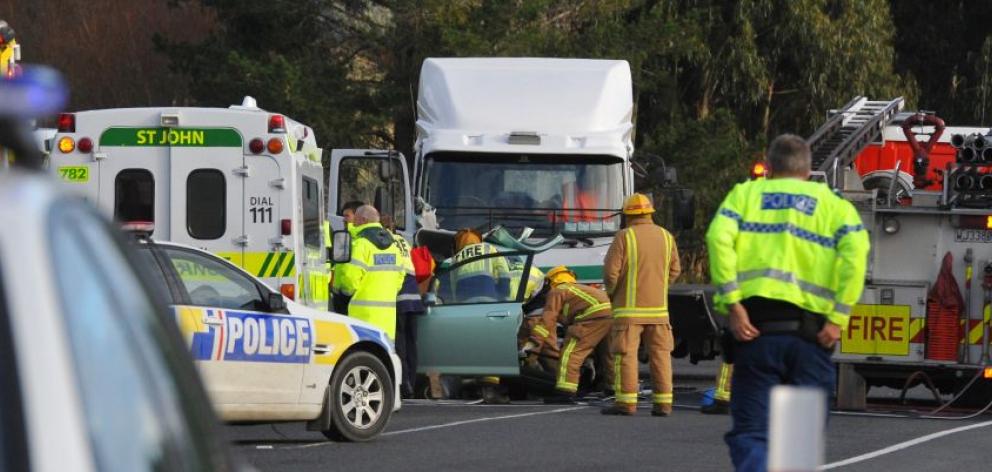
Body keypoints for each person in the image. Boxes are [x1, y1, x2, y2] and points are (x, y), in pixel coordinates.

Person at [706, 134, 869, 471]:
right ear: (808, 171)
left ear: (770, 168)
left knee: (752, 434)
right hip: (812, 338)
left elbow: (717, 238)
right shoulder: (833, 204)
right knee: (798, 447)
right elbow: (857, 256)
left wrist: (734, 305)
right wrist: (838, 318)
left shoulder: (745, 195)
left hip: (755, 333)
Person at [601, 193, 681, 417]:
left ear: (628, 216)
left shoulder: (624, 236)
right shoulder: (666, 236)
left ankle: (626, 403)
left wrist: (612, 293)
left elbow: (610, 274)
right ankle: (664, 404)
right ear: (649, 213)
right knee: (661, 356)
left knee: (625, 355)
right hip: (659, 312)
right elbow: (675, 271)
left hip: (628, 312)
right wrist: (656, 288)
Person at [523, 266, 613, 404]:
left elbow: (547, 321)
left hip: (592, 317)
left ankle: (565, 392)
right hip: (613, 315)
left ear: (550, 282)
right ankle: (613, 388)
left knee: (570, 354)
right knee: (608, 354)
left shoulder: (558, 291)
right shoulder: (583, 290)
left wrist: (533, 344)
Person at [331, 205, 406, 338]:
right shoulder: (393, 246)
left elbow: (350, 278)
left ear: (363, 220)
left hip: (361, 318)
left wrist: (344, 296)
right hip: (387, 319)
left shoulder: (361, 244)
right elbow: (400, 276)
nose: (353, 223)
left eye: (356, 220)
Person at [382, 215, 425, 398]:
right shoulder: (404, 242)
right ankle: (412, 384)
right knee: (412, 343)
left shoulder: (386, 242)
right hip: (414, 297)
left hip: (400, 297)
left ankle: (404, 384)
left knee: (400, 345)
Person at [331, 200, 368, 313]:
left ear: (358, 217)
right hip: (339, 296)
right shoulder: (345, 236)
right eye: (343, 216)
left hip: (353, 297)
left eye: (347, 216)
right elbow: (339, 265)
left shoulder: (361, 237)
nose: (344, 219)